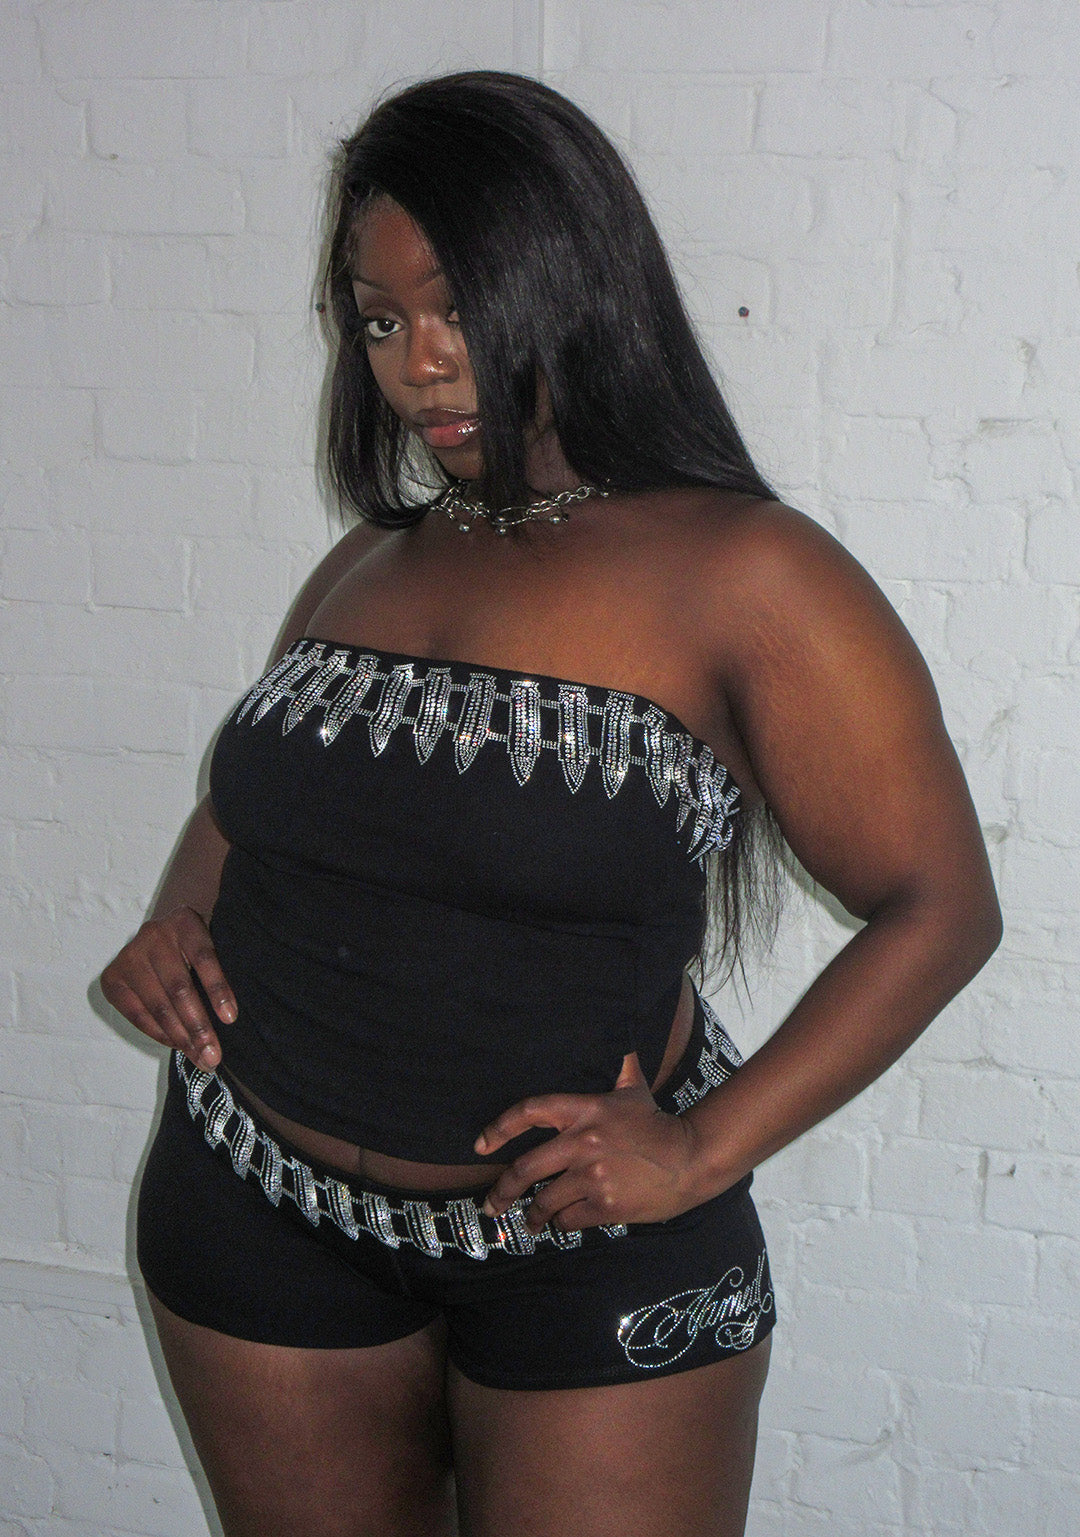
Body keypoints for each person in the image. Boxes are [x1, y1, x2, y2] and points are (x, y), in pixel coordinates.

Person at [100, 71, 1001, 1537]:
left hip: (590, 1246)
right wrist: (176, 924)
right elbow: (262, 804)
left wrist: (703, 1150)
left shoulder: (749, 573)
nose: (418, 365)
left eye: (457, 307)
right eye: (378, 321)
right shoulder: (370, 562)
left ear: (571, 284)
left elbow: (942, 908)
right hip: (254, 1209)